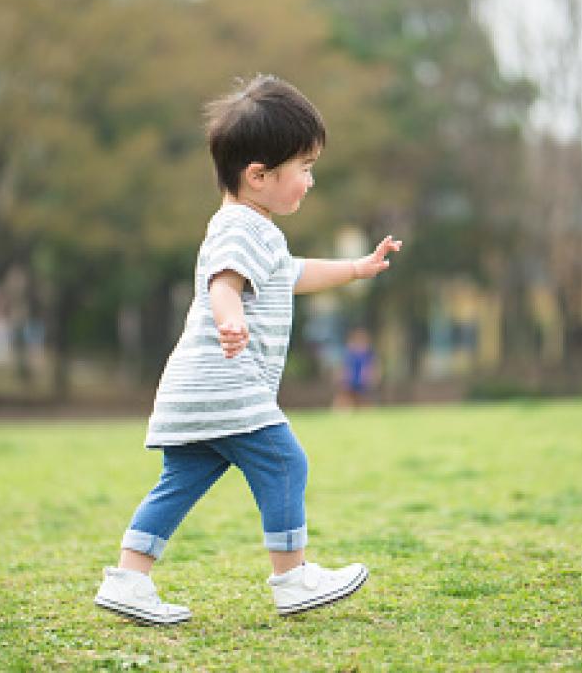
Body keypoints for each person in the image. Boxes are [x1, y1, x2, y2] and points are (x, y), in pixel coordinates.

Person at [94, 75, 403, 625]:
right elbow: (224, 281)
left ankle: (128, 578)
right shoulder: (241, 228)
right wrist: (230, 320)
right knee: (286, 461)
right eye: (303, 168)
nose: (310, 180)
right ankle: (292, 578)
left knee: (179, 483)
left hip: (199, 391)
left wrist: (357, 268)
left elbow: (291, 274)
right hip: (227, 382)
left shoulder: (254, 229)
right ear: (258, 176)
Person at [333, 326, 377, 409]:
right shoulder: (350, 353)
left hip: (362, 382)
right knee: (345, 398)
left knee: (364, 401)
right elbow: (344, 367)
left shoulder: (369, 354)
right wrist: (342, 378)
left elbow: (372, 367)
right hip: (350, 381)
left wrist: (371, 377)